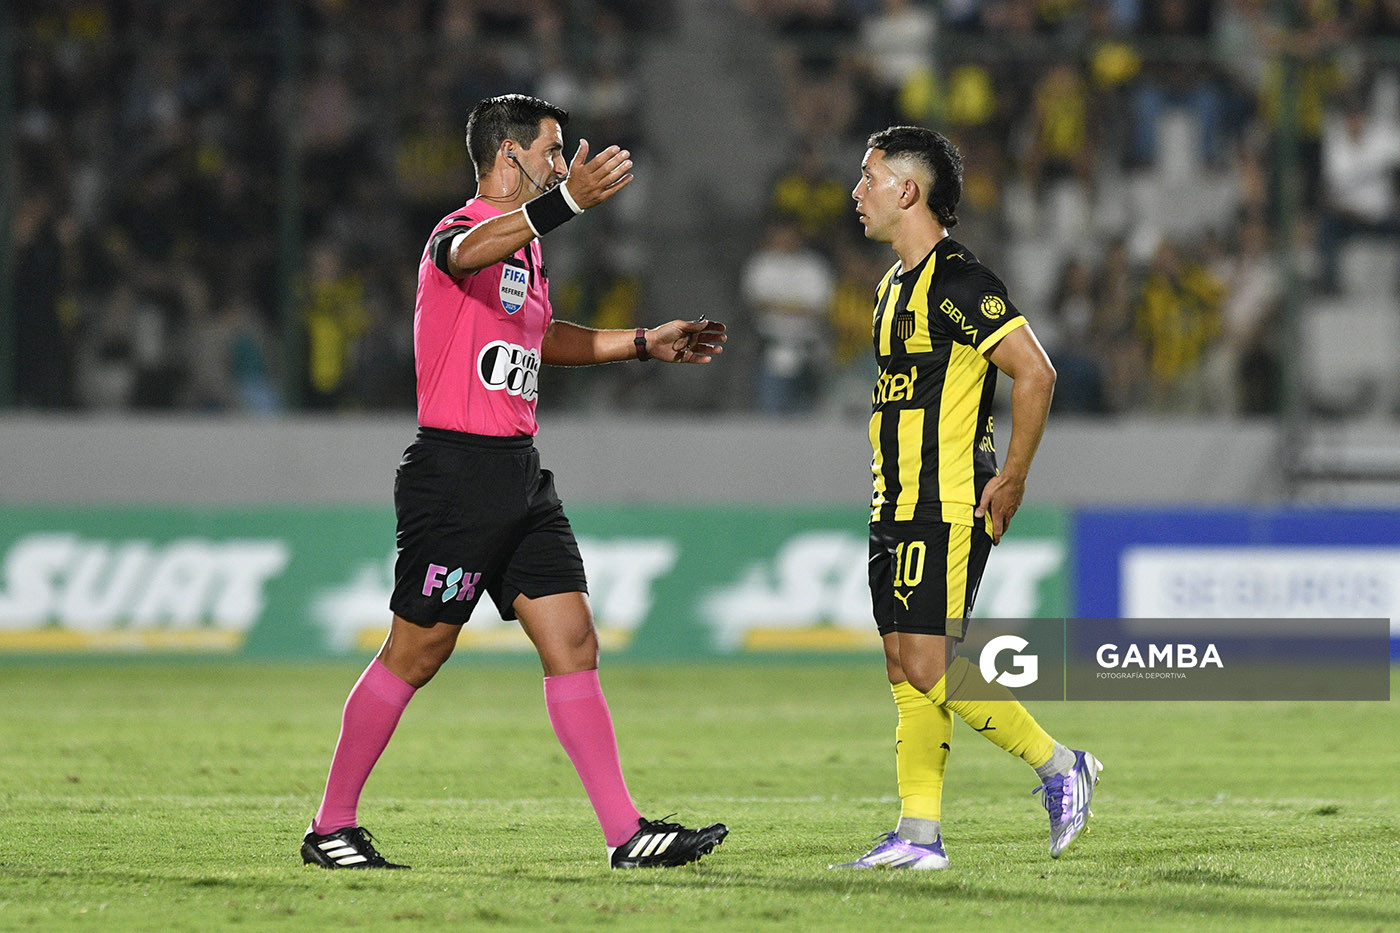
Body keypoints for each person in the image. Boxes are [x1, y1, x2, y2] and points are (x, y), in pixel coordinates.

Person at [301, 94, 729, 871]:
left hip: (519, 473)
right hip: (457, 473)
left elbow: (543, 335)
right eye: (553, 150)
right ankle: (331, 825)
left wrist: (641, 341)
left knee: (573, 641)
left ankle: (625, 833)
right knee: (417, 649)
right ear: (510, 154)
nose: (562, 163)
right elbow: (467, 254)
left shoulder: (526, 252)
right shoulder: (459, 231)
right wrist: (568, 202)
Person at [833, 125, 1100, 871]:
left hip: (945, 499)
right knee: (903, 660)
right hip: (894, 501)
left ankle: (1059, 764)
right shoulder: (890, 287)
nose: (858, 192)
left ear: (908, 191)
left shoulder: (959, 282)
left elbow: (1036, 372)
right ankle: (919, 834)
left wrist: (1010, 476)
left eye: (870, 178)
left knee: (930, 658)